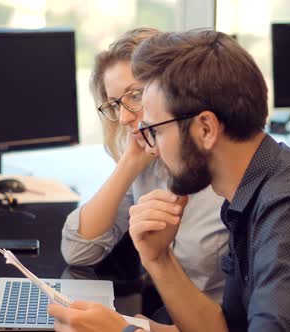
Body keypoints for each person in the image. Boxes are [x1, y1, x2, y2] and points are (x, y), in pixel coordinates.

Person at [50, 29, 290, 332]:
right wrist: (159, 258)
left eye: (157, 130)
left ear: (205, 128)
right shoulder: (249, 191)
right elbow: (225, 327)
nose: (151, 144)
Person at [60, 28, 229, 308]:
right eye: (115, 104)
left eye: (135, 95)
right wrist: (128, 164)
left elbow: (243, 317)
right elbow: (78, 251)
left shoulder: (227, 177)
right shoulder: (150, 166)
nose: (125, 117)